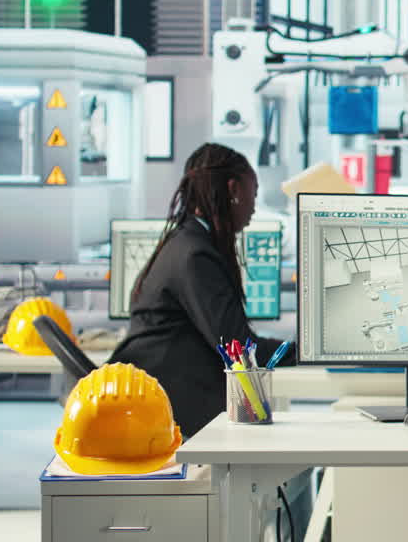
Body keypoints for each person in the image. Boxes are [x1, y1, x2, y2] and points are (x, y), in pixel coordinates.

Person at [110, 142, 294, 438]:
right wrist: (305, 351)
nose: (254, 206)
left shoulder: (185, 241)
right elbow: (240, 351)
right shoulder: (196, 255)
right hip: (174, 404)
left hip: (167, 394)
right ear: (234, 189)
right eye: (253, 193)